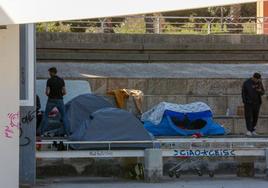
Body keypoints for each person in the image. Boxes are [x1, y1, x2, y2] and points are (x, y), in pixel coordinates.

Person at [40, 67, 69, 137]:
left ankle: (42, 133)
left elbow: (46, 92)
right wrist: (60, 95)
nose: (49, 74)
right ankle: (67, 133)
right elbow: (64, 92)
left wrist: (50, 95)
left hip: (51, 100)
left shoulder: (49, 80)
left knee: (46, 116)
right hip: (60, 100)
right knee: (64, 116)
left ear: (52, 72)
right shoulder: (61, 80)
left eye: (49, 72)